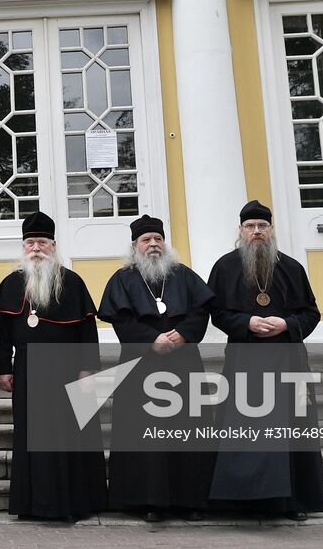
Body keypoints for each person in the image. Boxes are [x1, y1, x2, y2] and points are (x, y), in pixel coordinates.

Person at [206, 200, 323, 522]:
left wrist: (286, 324)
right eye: (250, 226)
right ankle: (243, 502)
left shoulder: (291, 267)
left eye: (262, 226)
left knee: (292, 428)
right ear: (240, 231)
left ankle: (293, 501)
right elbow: (216, 313)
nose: (256, 231)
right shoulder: (224, 267)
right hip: (245, 359)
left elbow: (311, 313)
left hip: (287, 358)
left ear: (271, 230)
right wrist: (246, 322)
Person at [99, 215, 215, 522]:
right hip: (141, 365)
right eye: (146, 240)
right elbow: (120, 320)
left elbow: (202, 310)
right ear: (134, 246)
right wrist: (152, 339)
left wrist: (183, 334)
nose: (153, 244)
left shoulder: (183, 275)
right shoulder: (122, 279)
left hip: (183, 363)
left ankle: (191, 500)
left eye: (158, 239)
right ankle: (150, 500)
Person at [0, 211, 106, 521]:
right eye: (30, 243)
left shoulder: (72, 282)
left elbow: (87, 330)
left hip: (68, 368)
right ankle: (33, 504)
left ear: (53, 246)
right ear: (23, 247)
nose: (36, 249)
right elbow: (3, 333)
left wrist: (88, 369)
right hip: (27, 370)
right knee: (30, 436)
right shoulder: (12, 284)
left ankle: (70, 504)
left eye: (42, 243)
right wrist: (3, 369)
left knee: (70, 435)